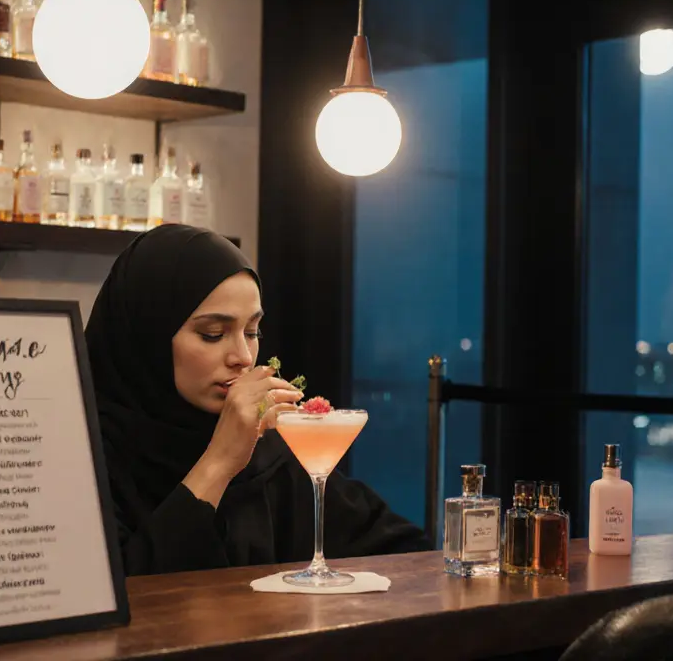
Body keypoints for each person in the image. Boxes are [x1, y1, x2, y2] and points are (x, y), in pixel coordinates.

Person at [85, 225, 429, 575]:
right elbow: (117, 594)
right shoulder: (82, 455)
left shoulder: (269, 451)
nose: (243, 357)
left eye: (252, 332)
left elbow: (405, 550)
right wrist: (219, 461)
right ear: (147, 338)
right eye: (213, 334)